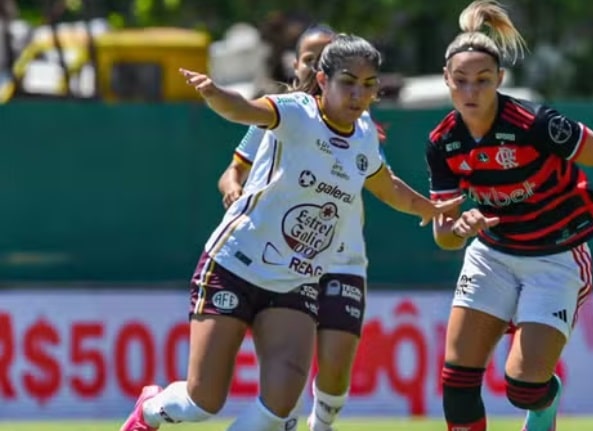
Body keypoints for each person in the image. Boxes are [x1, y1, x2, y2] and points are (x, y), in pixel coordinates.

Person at [120, 33, 462, 431]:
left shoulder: (365, 135)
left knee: (280, 407)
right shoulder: (297, 112)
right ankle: (148, 409)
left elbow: (387, 186)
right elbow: (244, 110)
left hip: (296, 281)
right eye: (347, 82)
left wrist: (428, 207)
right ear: (322, 81)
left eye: (368, 86)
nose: (358, 94)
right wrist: (215, 95)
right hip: (235, 264)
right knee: (203, 401)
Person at [425, 1, 593, 431]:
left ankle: (544, 405)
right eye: (460, 82)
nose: (471, 92)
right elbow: (444, 235)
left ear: (500, 80)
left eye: (482, 80)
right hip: (491, 257)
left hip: (555, 258)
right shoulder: (443, 142)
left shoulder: (534, 123)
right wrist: (458, 228)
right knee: (457, 380)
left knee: (523, 387)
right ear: (446, 81)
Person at [218, 24, 394, 431]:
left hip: (341, 258)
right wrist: (232, 188)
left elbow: (383, 182)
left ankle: (323, 423)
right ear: (301, 66)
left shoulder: (360, 124)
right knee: (284, 370)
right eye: (311, 57)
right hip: (279, 256)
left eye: (327, 55)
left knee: (335, 367)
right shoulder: (279, 112)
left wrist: (429, 208)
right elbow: (234, 169)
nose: (319, 62)